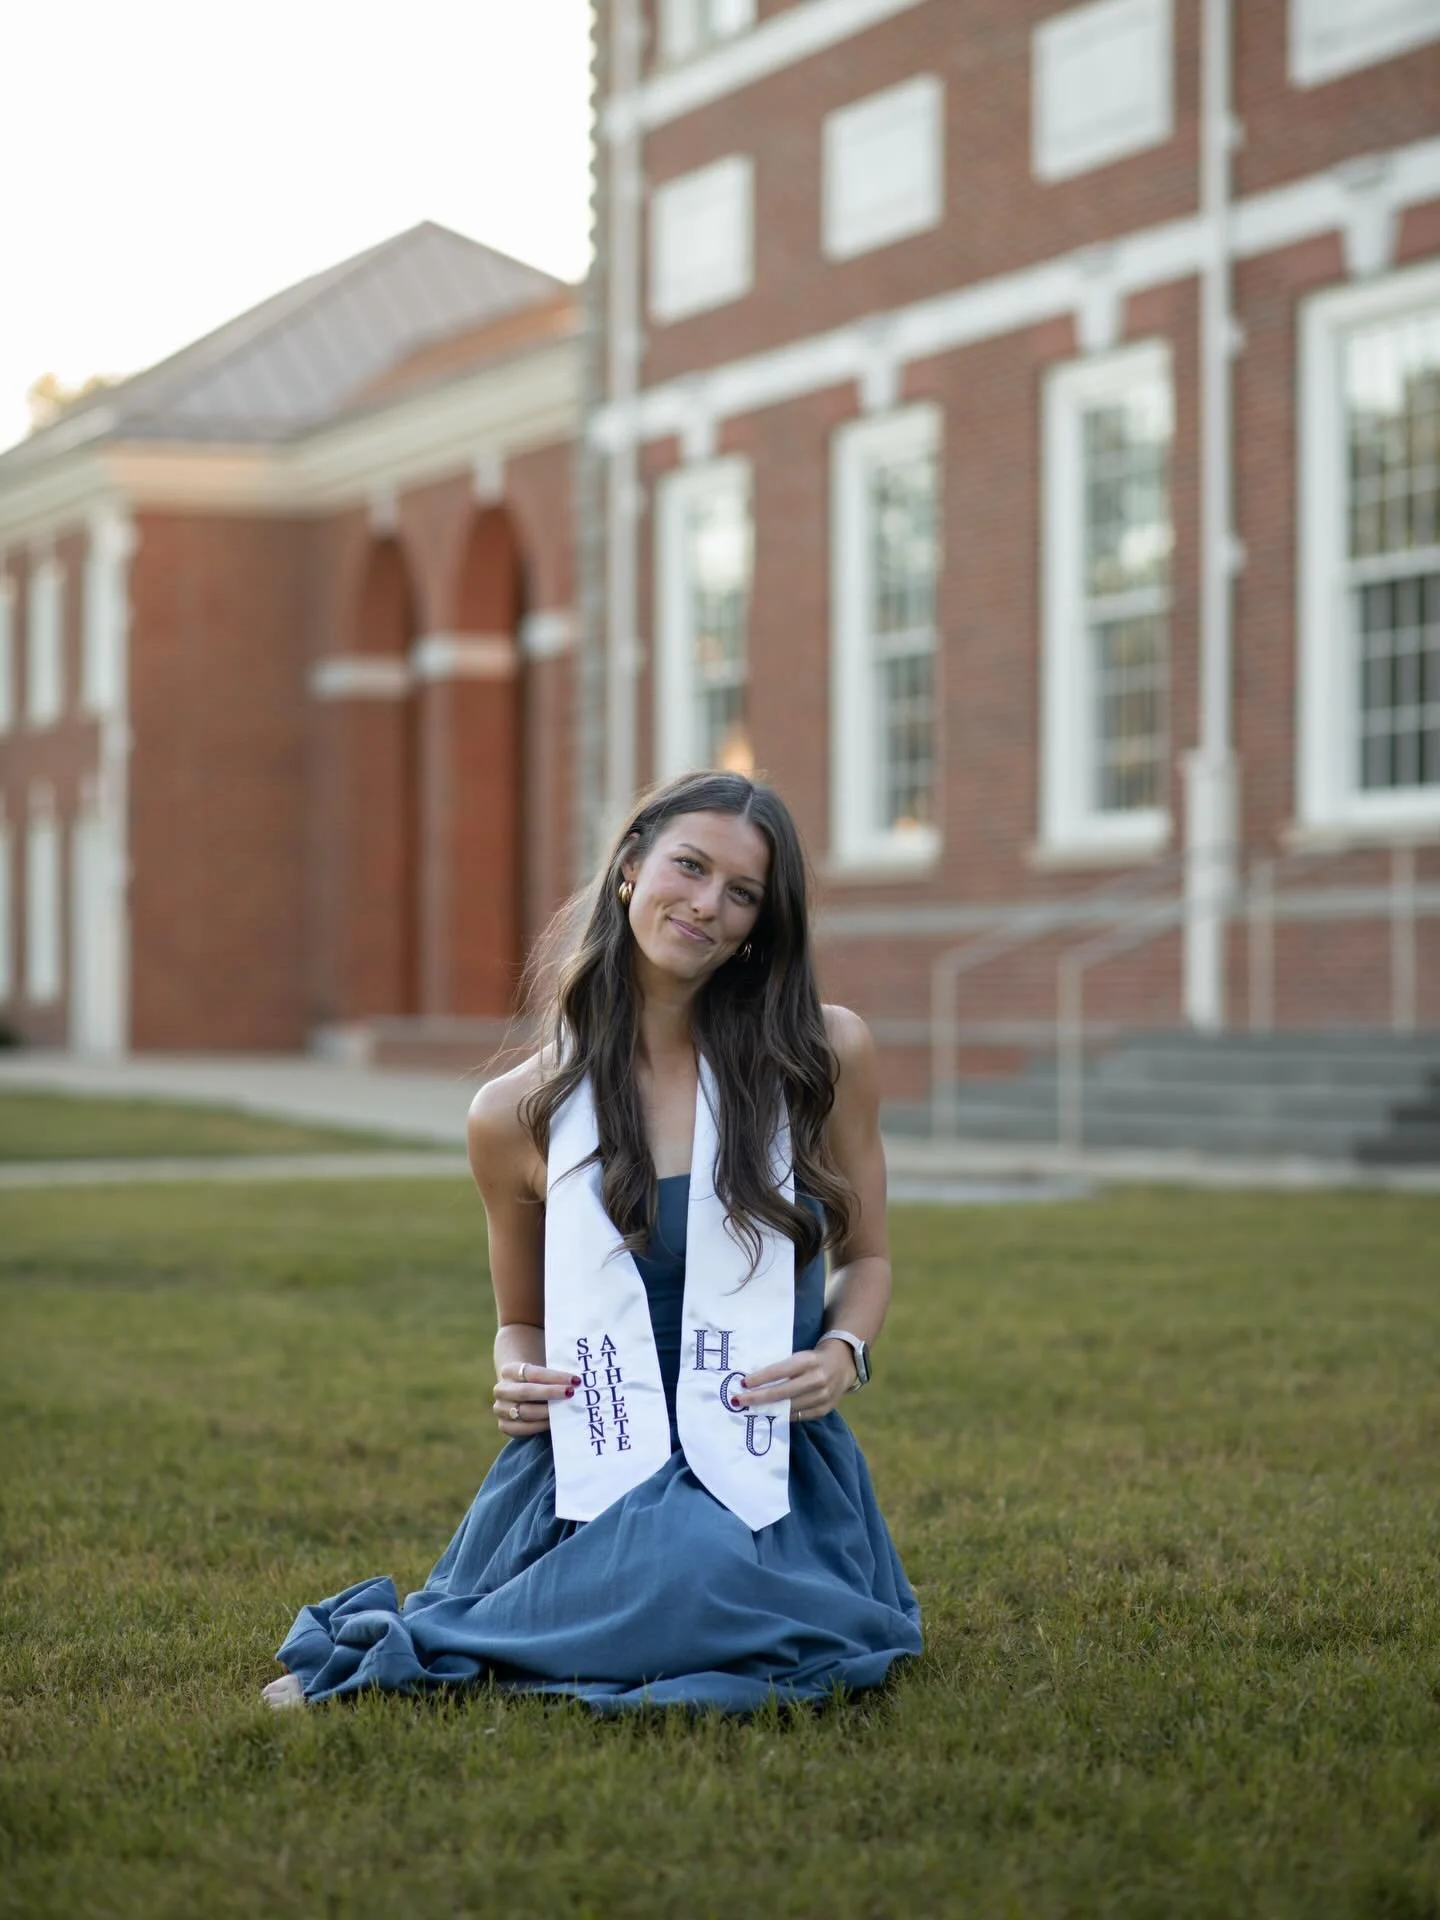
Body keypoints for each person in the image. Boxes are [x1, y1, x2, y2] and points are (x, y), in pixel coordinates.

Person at [264, 771, 921, 1712]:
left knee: (702, 1569)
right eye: (689, 868)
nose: (707, 905)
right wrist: (514, 1371)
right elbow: (519, 1324)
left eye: (742, 895)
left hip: (762, 1449)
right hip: (597, 1450)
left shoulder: (820, 1057)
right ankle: (485, 1633)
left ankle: (508, 1639)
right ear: (628, 869)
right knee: (688, 1574)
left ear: (761, 926)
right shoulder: (516, 1113)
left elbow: (870, 1258)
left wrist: (841, 1352)